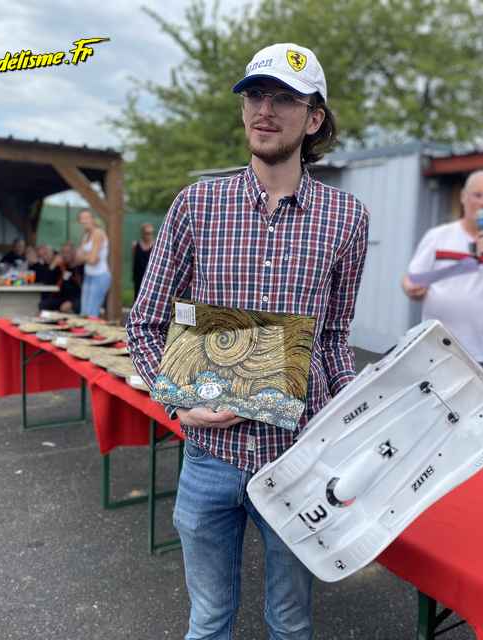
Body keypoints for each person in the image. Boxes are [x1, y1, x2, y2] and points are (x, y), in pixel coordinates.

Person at [127, 42, 368, 639]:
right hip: (209, 458)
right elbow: (144, 322)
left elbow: (335, 336)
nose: (266, 109)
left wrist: (356, 409)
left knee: (290, 622)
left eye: (286, 98)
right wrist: (178, 402)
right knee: (208, 620)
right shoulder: (196, 204)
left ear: (313, 119)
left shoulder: (347, 218)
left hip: (298, 457)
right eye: (256, 95)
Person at [401, 170, 483, 372]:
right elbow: (411, 279)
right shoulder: (437, 236)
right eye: (477, 195)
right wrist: (411, 288)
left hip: (479, 356)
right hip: (433, 350)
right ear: (463, 197)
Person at [76, 210, 110, 317]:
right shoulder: (85, 236)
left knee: (91, 313)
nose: (84, 221)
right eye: (81, 218)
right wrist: (89, 256)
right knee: (84, 313)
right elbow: (77, 258)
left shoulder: (98, 233)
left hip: (100, 276)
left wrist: (86, 257)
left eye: (86, 218)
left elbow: (92, 260)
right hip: (89, 275)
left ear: (92, 219)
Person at [40, 243, 83, 313]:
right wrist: (53, 265)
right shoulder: (61, 267)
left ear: (74, 253)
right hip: (63, 298)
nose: (65, 255)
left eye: (67, 252)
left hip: (77, 298)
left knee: (66, 307)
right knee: (44, 304)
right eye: (63, 253)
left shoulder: (80, 267)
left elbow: (82, 289)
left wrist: (71, 302)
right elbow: (47, 281)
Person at [132, 223, 155, 294]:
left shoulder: (155, 246)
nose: (149, 235)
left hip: (151, 277)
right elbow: (134, 261)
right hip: (138, 278)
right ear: (142, 233)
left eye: (151, 233)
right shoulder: (135, 245)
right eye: (147, 233)